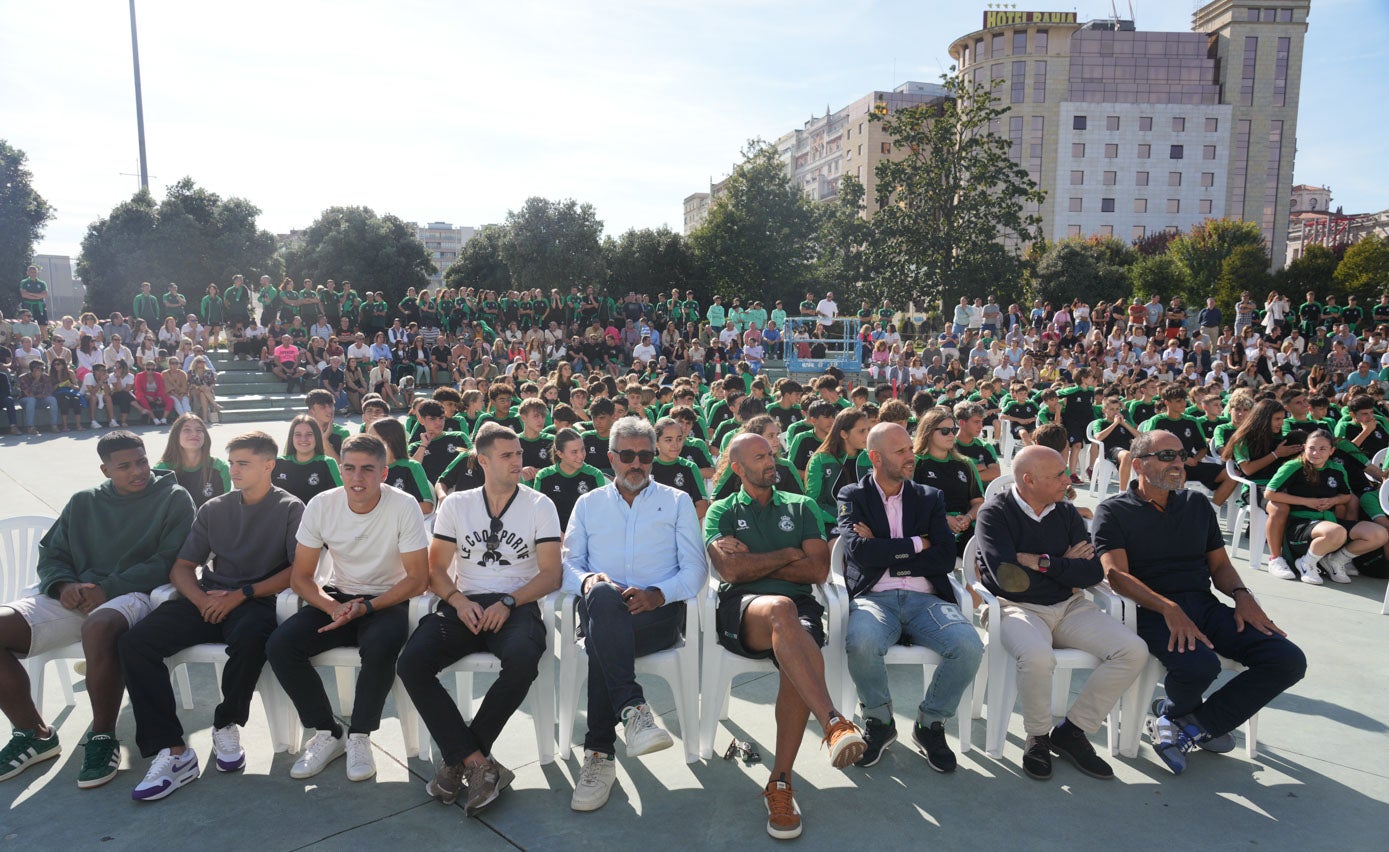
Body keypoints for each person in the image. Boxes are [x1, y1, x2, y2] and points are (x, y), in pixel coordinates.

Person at [1094, 429, 1308, 775]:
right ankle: (1185, 716)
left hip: (1202, 605)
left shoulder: (1197, 505)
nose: (1178, 463)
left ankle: (1187, 723)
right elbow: (1116, 576)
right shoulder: (1113, 511)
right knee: (1200, 666)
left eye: (1180, 455)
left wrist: (1243, 596)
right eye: (1167, 456)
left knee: (1286, 659)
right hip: (1148, 612)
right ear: (1138, 465)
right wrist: (1168, 607)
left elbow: (1220, 565)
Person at [0, 432, 195, 788]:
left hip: (137, 595)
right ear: (105, 469)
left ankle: (103, 736)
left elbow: (169, 560)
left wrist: (108, 589)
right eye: (125, 466)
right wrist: (63, 586)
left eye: (141, 461)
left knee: (99, 626)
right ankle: (35, 734)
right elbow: (53, 555)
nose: (138, 471)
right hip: (76, 596)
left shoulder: (174, 497)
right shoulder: (83, 502)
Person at [120, 431, 303, 801]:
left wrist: (242, 594)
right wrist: (201, 600)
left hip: (257, 599)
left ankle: (227, 722)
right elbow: (182, 567)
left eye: (243, 463)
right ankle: (172, 750)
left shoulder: (291, 508)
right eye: (232, 462)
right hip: (210, 596)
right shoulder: (214, 508)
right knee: (135, 643)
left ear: (269, 465)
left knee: (253, 637)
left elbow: (299, 571)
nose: (233, 470)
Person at [704, 432, 865, 841]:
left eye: (771, 453)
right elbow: (732, 573)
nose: (771, 461)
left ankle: (780, 782)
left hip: (799, 609)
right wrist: (788, 554)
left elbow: (816, 572)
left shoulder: (802, 506)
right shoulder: (720, 511)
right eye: (760, 457)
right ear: (738, 468)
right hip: (743, 611)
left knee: (795, 647)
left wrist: (760, 563)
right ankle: (833, 721)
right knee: (779, 608)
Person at [397, 424, 561, 814]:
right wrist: (456, 599)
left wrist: (508, 600)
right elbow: (435, 569)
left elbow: (551, 574)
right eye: (507, 455)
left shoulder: (540, 505)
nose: (518, 461)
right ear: (482, 461)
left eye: (519, 453)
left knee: (522, 659)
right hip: (465, 604)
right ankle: (478, 764)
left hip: (516, 605)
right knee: (411, 662)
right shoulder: (457, 504)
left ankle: (459, 760)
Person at [974, 445, 1148, 782]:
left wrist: (1042, 562)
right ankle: (1037, 736)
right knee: (1038, 657)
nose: (1068, 479)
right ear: (1029, 480)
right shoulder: (994, 514)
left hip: (1070, 606)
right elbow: (1008, 579)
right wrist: (1066, 564)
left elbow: (1094, 572)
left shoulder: (1066, 512)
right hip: (1015, 608)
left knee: (1133, 650)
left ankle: (1072, 730)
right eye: (1058, 475)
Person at [560, 416, 706, 812]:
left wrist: (659, 594)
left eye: (645, 455)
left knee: (601, 641)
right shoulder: (588, 504)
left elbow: (696, 570)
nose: (636, 464)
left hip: (657, 617)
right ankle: (634, 711)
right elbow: (568, 565)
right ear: (611, 457)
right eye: (627, 455)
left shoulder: (675, 502)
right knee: (604, 599)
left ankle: (599, 755)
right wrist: (589, 582)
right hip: (601, 607)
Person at [266, 434, 430, 782]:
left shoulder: (403, 505)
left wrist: (367, 608)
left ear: (383, 473)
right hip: (338, 597)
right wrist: (331, 607)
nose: (358, 478)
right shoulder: (322, 504)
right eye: (350, 468)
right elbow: (301, 577)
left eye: (368, 470)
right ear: (340, 469)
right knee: (281, 645)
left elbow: (417, 579)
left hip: (388, 599)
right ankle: (328, 732)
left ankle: (359, 735)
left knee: (381, 645)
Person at [839, 424, 983, 770]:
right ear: (875, 457)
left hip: (926, 598)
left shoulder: (929, 497)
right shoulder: (852, 496)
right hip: (875, 596)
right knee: (860, 643)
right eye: (900, 451)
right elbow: (860, 552)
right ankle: (879, 721)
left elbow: (944, 556)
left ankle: (930, 723)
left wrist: (884, 546)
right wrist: (918, 543)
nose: (911, 456)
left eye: (909, 448)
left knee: (968, 646)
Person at [1264, 429, 1388, 584]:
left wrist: (1334, 501)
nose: (1316, 453)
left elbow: (1346, 495)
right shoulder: (1293, 466)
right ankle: (1306, 563)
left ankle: (1335, 561)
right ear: (1304, 448)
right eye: (1312, 448)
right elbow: (1269, 493)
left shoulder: (1337, 468)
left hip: (1328, 520)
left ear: (1332, 451)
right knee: (1336, 532)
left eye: (1322, 449)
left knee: (1379, 534)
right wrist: (1306, 502)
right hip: (1300, 523)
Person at [531, 428, 607, 529]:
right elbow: (538, 515)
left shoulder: (595, 475)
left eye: (582, 449)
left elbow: (600, 515)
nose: (581, 456)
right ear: (560, 454)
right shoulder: (544, 476)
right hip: (553, 535)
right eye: (574, 452)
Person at [154, 414, 231, 509]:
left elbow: (226, 507)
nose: (194, 434)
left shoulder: (220, 468)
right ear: (176, 435)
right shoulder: (162, 470)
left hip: (211, 522)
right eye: (187, 430)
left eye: (199, 430)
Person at [273, 415, 343, 504]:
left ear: (317, 437)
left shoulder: (328, 463)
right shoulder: (278, 463)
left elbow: (341, 498)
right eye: (298, 434)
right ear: (292, 437)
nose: (303, 439)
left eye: (309, 434)